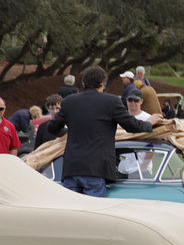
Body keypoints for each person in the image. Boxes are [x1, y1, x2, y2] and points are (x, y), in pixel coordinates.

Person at [46, 65, 160, 197]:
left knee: (73, 214)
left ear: (83, 84)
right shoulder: (111, 102)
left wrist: (68, 132)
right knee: (94, 214)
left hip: (72, 168)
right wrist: (149, 123)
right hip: (97, 169)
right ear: (102, 84)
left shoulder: (69, 102)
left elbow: (52, 128)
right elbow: (131, 126)